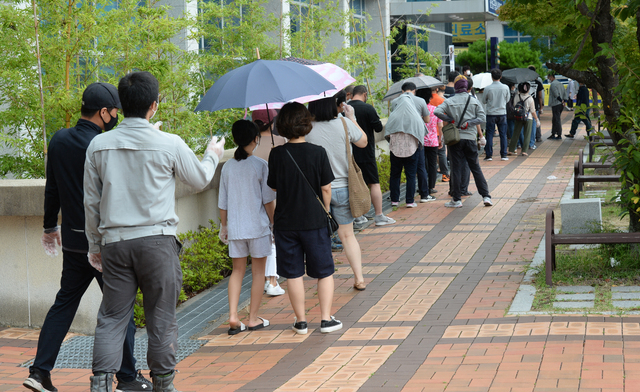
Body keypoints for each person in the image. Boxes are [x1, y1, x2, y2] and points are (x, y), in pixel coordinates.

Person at [84, 71, 225, 392]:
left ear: (121, 105)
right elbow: (200, 179)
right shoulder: (169, 143)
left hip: (115, 245)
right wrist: (212, 155)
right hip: (157, 244)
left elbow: (90, 202)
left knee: (112, 317)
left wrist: (95, 246)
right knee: (161, 318)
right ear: (153, 106)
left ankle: (101, 384)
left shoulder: (98, 145)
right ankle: (164, 384)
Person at [24, 83, 152, 392]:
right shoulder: (104, 145)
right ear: (104, 112)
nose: (117, 116)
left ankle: (39, 372)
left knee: (63, 305)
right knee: (120, 309)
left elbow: (52, 189)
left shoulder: (58, 139)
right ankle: (127, 378)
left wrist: (48, 227)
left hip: (72, 241)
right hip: (104, 243)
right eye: (115, 112)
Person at [267, 102, 342, 335]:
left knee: (293, 273)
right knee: (324, 271)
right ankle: (326, 319)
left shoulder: (277, 153)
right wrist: (326, 210)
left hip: (286, 223)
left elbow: (275, 188)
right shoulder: (318, 152)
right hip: (314, 221)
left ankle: (300, 322)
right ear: (306, 124)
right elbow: (326, 188)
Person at [219, 120, 276, 335]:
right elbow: (268, 201)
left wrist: (224, 226)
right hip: (258, 228)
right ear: (255, 139)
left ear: (234, 140)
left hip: (235, 229)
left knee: (237, 271)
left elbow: (222, 202)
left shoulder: (227, 167)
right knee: (258, 272)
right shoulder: (261, 165)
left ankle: (233, 316)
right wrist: (273, 223)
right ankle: (252, 318)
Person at [307, 97, 368, 291]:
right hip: (343, 188)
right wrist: (352, 118)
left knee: (321, 238)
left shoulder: (306, 129)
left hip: (316, 191)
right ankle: (359, 278)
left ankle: (324, 282)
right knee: (348, 236)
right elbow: (363, 142)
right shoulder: (344, 123)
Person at [434, 76, 493, 208]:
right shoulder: (473, 101)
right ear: (466, 87)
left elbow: (437, 111)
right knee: (476, 167)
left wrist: (449, 118)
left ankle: (456, 199)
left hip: (455, 139)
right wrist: (469, 123)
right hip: (470, 138)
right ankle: (486, 197)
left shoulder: (449, 101)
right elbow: (482, 117)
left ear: (455, 87)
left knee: (456, 168)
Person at [348, 86, 396, 226]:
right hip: (366, 151)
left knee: (353, 184)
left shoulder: (344, 109)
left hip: (349, 153)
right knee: (373, 183)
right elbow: (379, 128)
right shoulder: (368, 108)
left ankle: (357, 216)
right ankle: (379, 215)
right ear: (364, 94)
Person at [252, 109, 287, 296]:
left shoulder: (251, 147)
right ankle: (272, 280)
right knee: (273, 237)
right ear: (272, 122)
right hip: (276, 197)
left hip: (254, 199)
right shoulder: (280, 142)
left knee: (264, 238)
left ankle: (267, 278)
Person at [385, 82, 429, 208]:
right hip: (412, 143)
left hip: (396, 143)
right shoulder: (420, 101)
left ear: (402, 91)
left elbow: (393, 119)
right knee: (411, 173)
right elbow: (426, 121)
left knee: (395, 174)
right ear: (414, 90)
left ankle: (394, 200)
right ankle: (410, 201)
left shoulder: (395, 102)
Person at [482, 68, 511, 162]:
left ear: (491, 77)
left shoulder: (488, 88)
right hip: (502, 113)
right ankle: (503, 155)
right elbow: (507, 100)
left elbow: (484, 101)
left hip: (491, 113)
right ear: (501, 77)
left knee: (489, 134)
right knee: (503, 134)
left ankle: (489, 155)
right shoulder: (505, 87)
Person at [508, 82, 540, 157]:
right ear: (528, 90)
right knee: (527, 134)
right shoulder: (530, 98)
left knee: (516, 133)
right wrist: (537, 119)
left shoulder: (517, 96)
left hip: (518, 117)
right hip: (528, 118)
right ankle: (524, 151)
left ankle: (511, 150)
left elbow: (514, 106)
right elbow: (533, 111)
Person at [423, 91, 443, 194]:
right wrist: (440, 140)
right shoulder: (435, 110)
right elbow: (440, 126)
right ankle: (431, 187)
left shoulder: (420, 110)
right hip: (433, 140)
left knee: (422, 165)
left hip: (421, 141)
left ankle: (422, 186)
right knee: (432, 164)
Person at [433, 86, 450, 182]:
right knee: (442, 152)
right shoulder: (442, 100)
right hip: (439, 129)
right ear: (436, 89)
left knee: (430, 155)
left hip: (428, 133)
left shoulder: (425, 101)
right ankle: (445, 174)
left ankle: (430, 178)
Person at [547, 73, 567, 140]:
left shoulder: (553, 84)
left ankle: (558, 134)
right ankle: (553, 133)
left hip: (556, 104)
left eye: (548, 77)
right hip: (561, 104)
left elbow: (556, 94)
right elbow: (565, 93)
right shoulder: (560, 83)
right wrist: (564, 101)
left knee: (556, 119)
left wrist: (561, 100)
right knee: (555, 119)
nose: (548, 79)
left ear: (552, 77)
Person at [528, 65, 544, 143]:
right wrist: (541, 107)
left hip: (526, 106)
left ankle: (526, 141)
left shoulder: (525, 83)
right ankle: (535, 140)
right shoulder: (538, 83)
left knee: (526, 124)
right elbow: (540, 97)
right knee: (535, 123)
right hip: (535, 106)